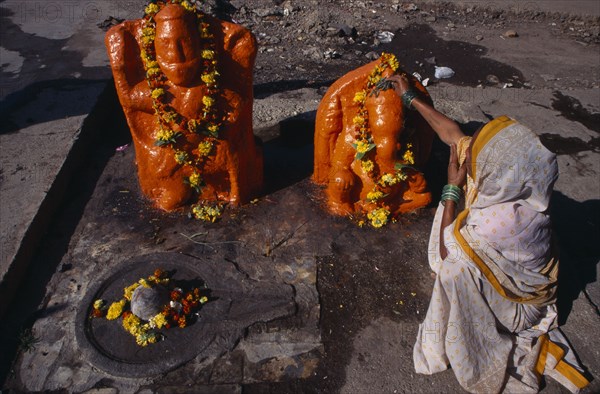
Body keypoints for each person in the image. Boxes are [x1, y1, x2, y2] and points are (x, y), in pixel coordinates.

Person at [389, 74, 590, 393]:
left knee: (451, 270)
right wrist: (410, 98)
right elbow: (453, 135)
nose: (468, 154)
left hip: (522, 311)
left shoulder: (495, 223)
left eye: (475, 155)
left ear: (492, 171)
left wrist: (452, 189)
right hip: (528, 281)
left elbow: (445, 254)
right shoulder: (522, 183)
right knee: (462, 250)